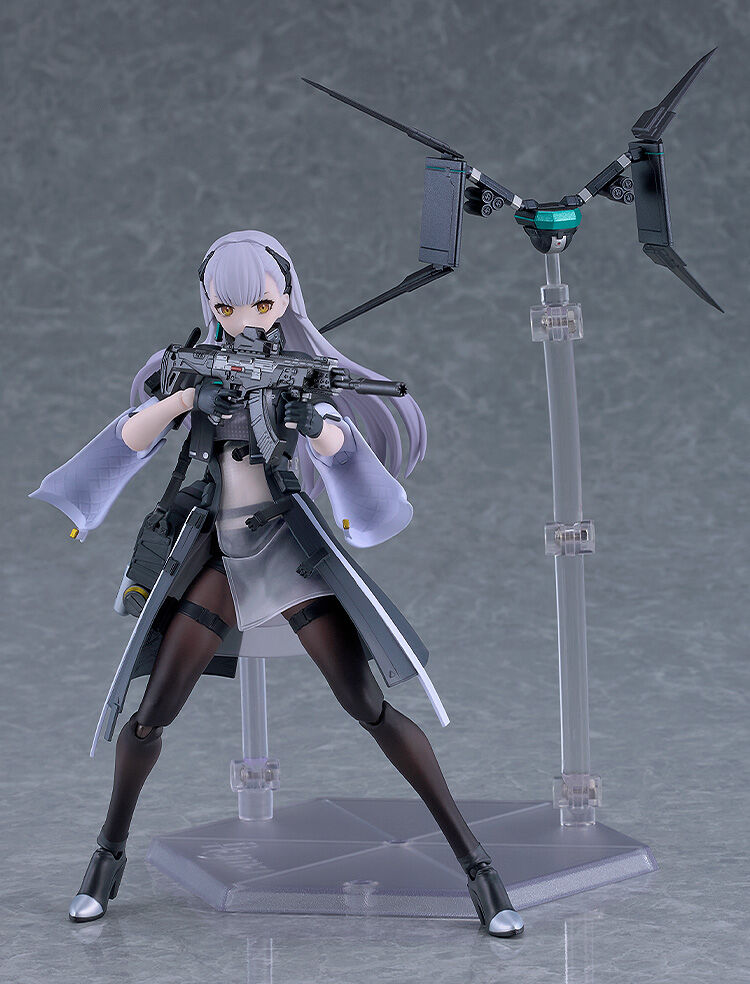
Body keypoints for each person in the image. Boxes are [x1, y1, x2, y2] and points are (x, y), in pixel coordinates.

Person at [31, 231, 523, 937]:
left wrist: (316, 422)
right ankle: (107, 856)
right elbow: (131, 438)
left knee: (367, 704)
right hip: (219, 556)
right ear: (210, 304)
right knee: (152, 713)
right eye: (228, 306)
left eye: (262, 304)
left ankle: (477, 865)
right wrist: (182, 400)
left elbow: (343, 453)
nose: (245, 318)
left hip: (289, 552)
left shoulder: (294, 376)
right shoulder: (195, 371)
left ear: (286, 298)